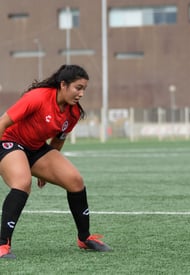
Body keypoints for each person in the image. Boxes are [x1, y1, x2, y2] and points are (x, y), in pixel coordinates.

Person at [0, 65, 111, 259]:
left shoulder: (73, 113)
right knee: (22, 184)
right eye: (78, 88)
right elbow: (2, 123)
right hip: (9, 141)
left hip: (36, 148)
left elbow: (58, 139)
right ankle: (2, 245)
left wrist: (47, 172)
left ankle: (84, 238)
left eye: (84, 89)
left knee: (75, 181)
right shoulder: (38, 97)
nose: (81, 93)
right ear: (63, 85)